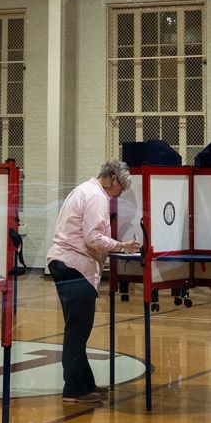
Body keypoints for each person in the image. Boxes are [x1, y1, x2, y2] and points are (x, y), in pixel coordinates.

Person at [46, 160, 140, 404]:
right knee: (78, 329)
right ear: (113, 179)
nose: (120, 194)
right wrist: (121, 246)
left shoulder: (83, 190)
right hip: (75, 265)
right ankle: (73, 389)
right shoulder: (97, 197)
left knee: (78, 328)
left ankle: (84, 383)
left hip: (66, 264)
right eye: (121, 188)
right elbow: (93, 237)